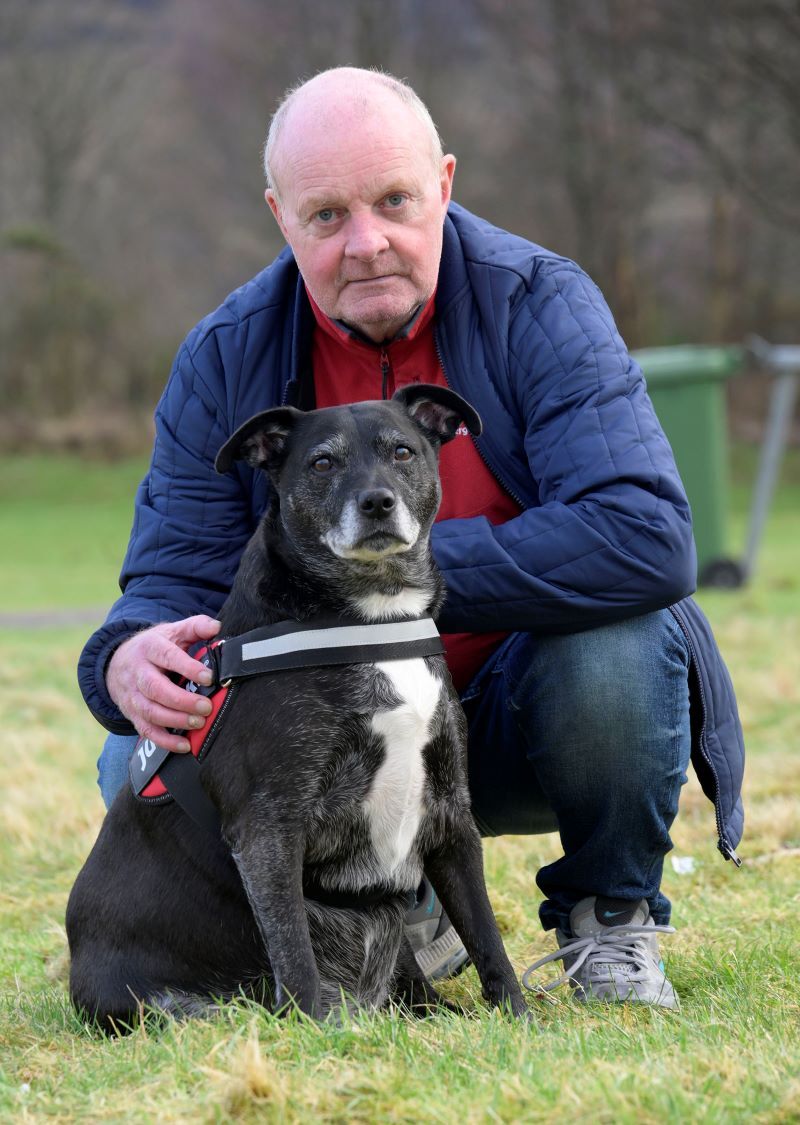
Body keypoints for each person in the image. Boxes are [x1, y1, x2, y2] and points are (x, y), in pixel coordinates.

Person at [78, 67, 744, 1006]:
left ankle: (610, 919)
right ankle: (385, 908)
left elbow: (643, 534)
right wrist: (120, 659)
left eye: (394, 200)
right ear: (281, 216)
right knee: (137, 751)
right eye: (327, 216)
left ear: (445, 182)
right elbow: (167, 578)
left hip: (516, 715)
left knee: (622, 646)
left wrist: (388, 586)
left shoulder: (539, 303)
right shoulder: (225, 354)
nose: (367, 242)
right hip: (322, 742)